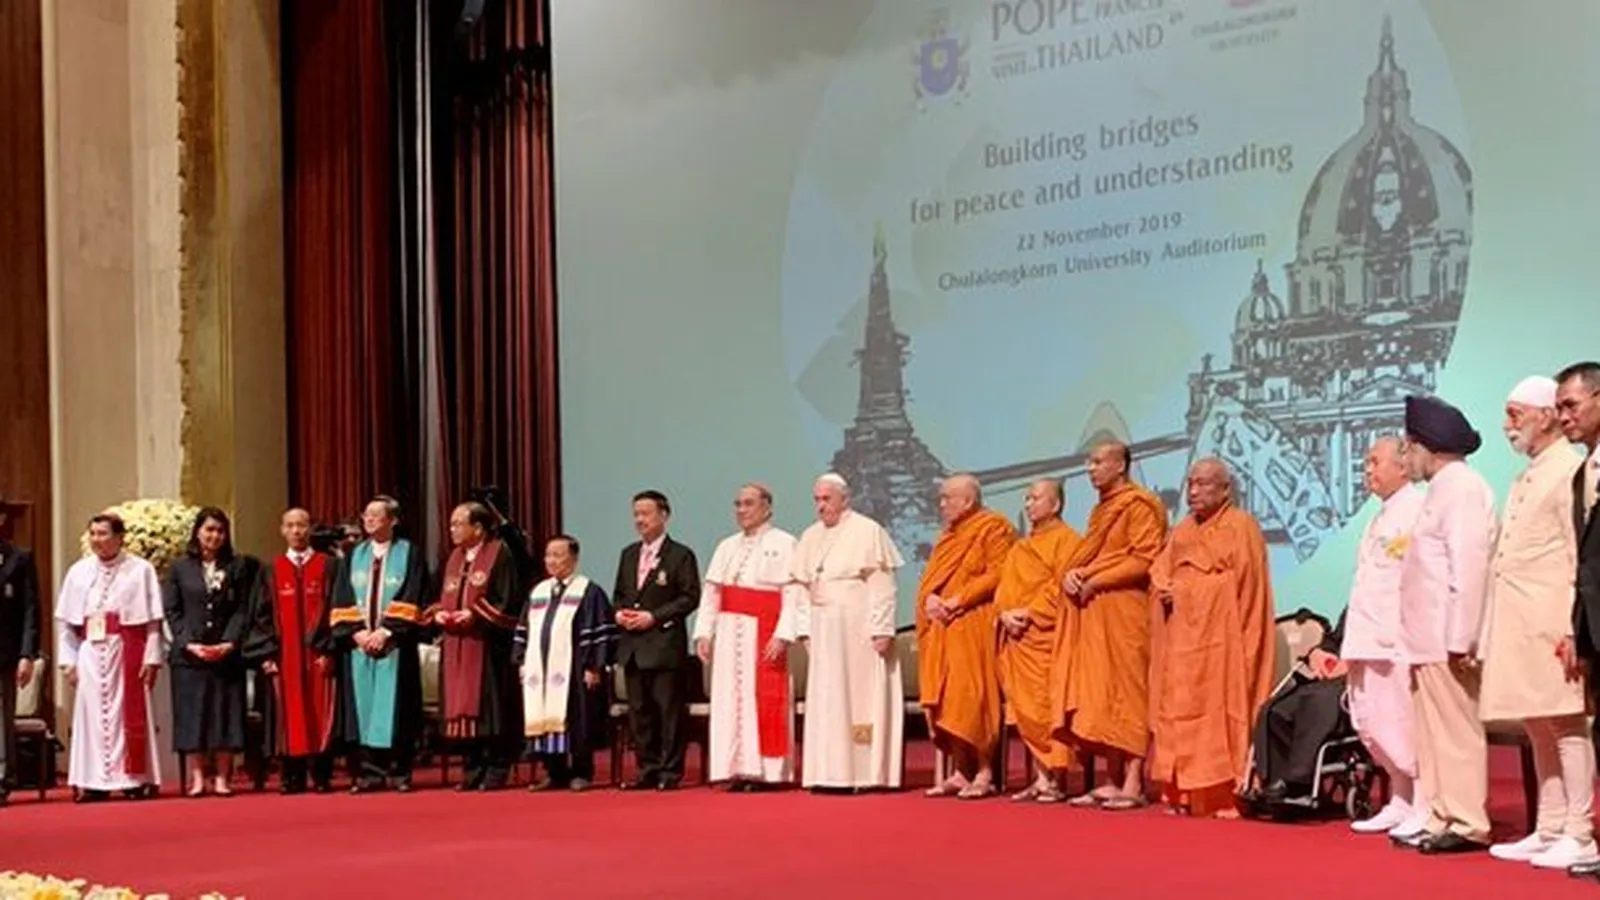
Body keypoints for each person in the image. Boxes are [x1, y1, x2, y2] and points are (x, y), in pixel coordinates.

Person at [1476, 377, 1594, 867]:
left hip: (1552, 620)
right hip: (1520, 620)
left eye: (1515, 414)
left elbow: (1577, 555)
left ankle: (1580, 832)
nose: (1508, 426)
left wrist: (1572, 625)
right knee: (1537, 722)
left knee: (1565, 722)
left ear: (1546, 415)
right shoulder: (1529, 474)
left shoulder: (1569, 469)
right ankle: (1549, 827)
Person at [1394, 394, 1497, 854]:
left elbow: (1468, 567)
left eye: (1408, 447)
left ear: (1426, 446)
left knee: (1455, 731)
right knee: (1431, 733)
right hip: (1425, 638)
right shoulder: (1442, 488)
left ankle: (1467, 820)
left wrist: (1462, 636)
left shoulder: (1462, 488)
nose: (1406, 457)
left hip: (1446, 637)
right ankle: (1439, 814)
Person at [1147, 458, 1276, 818]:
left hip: (1223, 646)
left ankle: (1226, 795)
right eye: (1191, 483)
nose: (1194, 491)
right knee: (1178, 711)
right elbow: (1160, 570)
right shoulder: (1183, 530)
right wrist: (1166, 587)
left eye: (1203, 484)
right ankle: (1184, 793)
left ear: (1225, 489)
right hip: (1183, 646)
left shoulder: (1241, 527)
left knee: (1221, 714)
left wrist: (1186, 592)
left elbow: (1245, 588)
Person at [1052, 441, 1169, 810]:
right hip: (1097, 613)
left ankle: (1134, 781)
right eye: (1089, 462)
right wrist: (1073, 575)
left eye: (1099, 462)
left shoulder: (1139, 504)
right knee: (1103, 693)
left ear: (1120, 466)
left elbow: (1145, 558)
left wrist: (1094, 579)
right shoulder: (1101, 510)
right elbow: (1091, 557)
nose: (1091, 469)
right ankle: (1112, 778)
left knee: (1129, 693)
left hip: (1127, 611)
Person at [792, 473, 905, 791]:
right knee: (826, 699)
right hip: (823, 631)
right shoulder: (810, 535)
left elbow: (883, 587)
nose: (820, 506)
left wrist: (882, 628)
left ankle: (861, 773)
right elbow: (801, 588)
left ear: (845, 499)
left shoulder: (867, 531)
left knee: (858, 698)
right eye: (817, 499)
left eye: (826, 499)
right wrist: (804, 630)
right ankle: (825, 773)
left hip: (857, 630)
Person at [1339, 437, 1427, 836]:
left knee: (1402, 722)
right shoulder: (1382, 514)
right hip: (1367, 635)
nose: (1368, 470)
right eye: (1366, 463)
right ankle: (1401, 799)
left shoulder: (1416, 508)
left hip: (1395, 639)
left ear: (1403, 467)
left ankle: (1424, 802)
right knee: (1372, 720)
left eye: (1376, 462)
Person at [693, 483, 802, 789]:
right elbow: (712, 594)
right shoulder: (726, 546)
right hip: (730, 634)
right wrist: (703, 633)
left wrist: (783, 634)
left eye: (749, 503)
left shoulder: (785, 543)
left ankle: (768, 773)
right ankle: (736, 769)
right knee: (731, 701)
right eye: (738, 504)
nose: (741, 510)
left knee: (763, 702)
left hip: (764, 631)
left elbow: (793, 594)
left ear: (767, 507)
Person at [917, 473, 1015, 799]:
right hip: (943, 626)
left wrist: (960, 600)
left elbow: (1000, 572)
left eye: (947, 498)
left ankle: (985, 771)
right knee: (947, 696)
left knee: (974, 694)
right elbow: (933, 578)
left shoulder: (994, 527)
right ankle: (961, 770)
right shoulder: (948, 536)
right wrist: (931, 599)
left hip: (975, 620)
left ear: (969, 501)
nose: (941, 504)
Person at [56, 513, 164, 802]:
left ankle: (133, 780)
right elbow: (66, 624)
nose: (97, 539)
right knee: (92, 717)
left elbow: (153, 621)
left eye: (103, 534)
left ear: (120, 537)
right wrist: (68, 661)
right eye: (93, 534)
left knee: (125, 716)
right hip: (90, 653)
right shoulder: (78, 572)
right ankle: (93, 782)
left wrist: (152, 657)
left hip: (125, 650)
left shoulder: (141, 570)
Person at [326, 496, 431, 793]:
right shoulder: (353, 555)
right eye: (366, 515)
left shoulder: (410, 554)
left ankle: (399, 772)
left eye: (376, 515)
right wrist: (358, 633)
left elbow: (414, 594)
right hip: (359, 648)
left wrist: (386, 632)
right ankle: (369, 773)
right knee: (363, 709)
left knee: (399, 708)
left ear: (393, 520)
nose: (369, 520)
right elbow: (342, 597)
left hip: (395, 646)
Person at [428, 501, 524, 792]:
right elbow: (441, 596)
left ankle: (495, 768)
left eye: (459, 523)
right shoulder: (454, 557)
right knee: (460, 706)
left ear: (478, 528)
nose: (452, 529)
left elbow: (508, 601)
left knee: (490, 709)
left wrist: (474, 614)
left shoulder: (499, 553)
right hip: (456, 644)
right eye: (452, 524)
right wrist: (439, 614)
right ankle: (472, 768)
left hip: (488, 646)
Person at [994, 478, 1079, 802]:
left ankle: (1056, 778)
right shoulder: (1020, 548)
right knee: (1026, 707)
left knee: (1048, 706)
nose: (1028, 504)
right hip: (1018, 637)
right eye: (1027, 498)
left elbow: (1060, 588)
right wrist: (1004, 614)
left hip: (1047, 637)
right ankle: (1041, 777)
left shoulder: (1068, 541)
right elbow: (1004, 590)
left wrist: (1029, 612)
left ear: (1055, 505)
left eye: (1035, 498)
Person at [163, 507, 257, 797]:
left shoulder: (238, 566)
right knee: (193, 715)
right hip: (190, 656)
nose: (214, 536)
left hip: (226, 654)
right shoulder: (179, 568)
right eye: (209, 530)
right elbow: (172, 611)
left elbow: (243, 609)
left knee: (224, 714)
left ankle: (222, 778)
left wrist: (229, 642)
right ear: (197, 532)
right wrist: (189, 643)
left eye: (220, 531)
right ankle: (197, 778)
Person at [244, 508, 338, 794]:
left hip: (318, 655)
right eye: (291, 526)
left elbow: (337, 610)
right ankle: (292, 775)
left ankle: (321, 775)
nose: (296, 531)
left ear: (310, 529)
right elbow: (260, 616)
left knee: (320, 710)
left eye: (302, 525)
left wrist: (329, 649)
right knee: (288, 714)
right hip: (284, 657)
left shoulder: (329, 566)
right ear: (282, 530)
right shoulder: (271, 570)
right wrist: (267, 655)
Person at [612, 490, 701, 791]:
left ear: (664, 515)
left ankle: (669, 771)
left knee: (667, 712)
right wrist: (619, 614)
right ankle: (646, 769)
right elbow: (619, 594)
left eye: (646, 513)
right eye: (636, 514)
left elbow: (689, 597)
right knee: (640, 714)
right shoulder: (628, 554)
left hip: (664, 645)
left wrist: (654, 616)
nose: (640, 520)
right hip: (633, 647)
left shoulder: (680, 555)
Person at [519, 535, 615, 791]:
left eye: (558, 555)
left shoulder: (589, 592)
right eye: (548, 555)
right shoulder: (539, 592)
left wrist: (595, 665)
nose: (551, 560)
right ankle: (554, 772)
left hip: (576, 670)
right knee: (546, 717)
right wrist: (522, 661)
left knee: (578, 719)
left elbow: (601, 630)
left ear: (573, 559)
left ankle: (582, 772)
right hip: (542, 669)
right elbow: (525, 629)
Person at [1556, 361, 1600, 879]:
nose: (1563, 416)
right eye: (1559, 408)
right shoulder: (1580, 474)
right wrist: (1577, 627)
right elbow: (1583, 563)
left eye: (1571, 405)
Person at [1252, 611, 1349, 805]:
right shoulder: (1355, 607)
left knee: (1316, 701)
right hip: (1330, 679)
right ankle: (1273, 782)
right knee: (1276, 710)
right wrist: (1319, 653)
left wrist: (1352, 665)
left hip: (1362, 682)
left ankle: (1297, 783)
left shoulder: (1396, 606)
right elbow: (1332, 642)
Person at [0, 494, 41, 808]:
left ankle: (2, 777)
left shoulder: (19, 558)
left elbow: (30, 610)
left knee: (1, 716)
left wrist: (27, 654)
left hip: (5, 650)